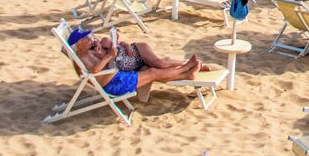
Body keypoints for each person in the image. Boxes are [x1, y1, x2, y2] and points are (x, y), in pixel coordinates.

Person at [66, 29, 207, 104]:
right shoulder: (82, 57)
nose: (91, 39)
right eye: (87, 38)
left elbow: (100, 65)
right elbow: (94, 70)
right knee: (153, 72)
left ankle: (186, 70)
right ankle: (185, 70)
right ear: (78, 44)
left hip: (117, 77)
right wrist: (109, 56)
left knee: (153, 70)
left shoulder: (87, 52)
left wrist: (107, 52)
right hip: (116, 84)